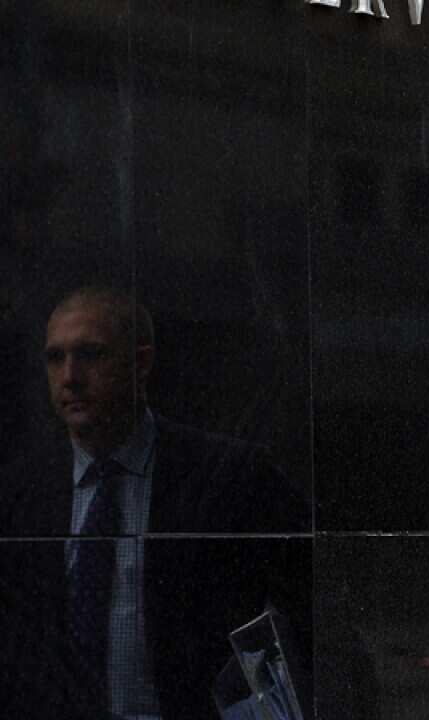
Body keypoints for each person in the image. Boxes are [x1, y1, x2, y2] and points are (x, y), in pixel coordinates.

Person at [0, 286, 307, 720]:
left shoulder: (229, 478)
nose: (69, 376)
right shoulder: (20, 493)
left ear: (140, 362)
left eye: (90, 354)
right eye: (55, 358)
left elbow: (307, 618)